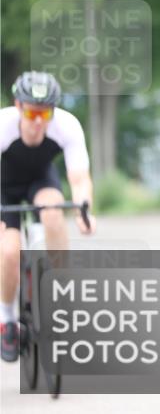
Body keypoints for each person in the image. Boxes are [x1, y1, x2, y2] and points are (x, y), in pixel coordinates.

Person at [1, 71, 95, 362]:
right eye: (32, 112)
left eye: (46, 112)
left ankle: (60, 292)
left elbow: (79, 179)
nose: (39, 120)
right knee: (9, 252)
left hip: (40, 181)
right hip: (3, 188)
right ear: (18, 106)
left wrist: (83, 210)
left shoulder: (66, 125)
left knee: (54, 212)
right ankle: (6, 319)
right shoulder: (2, 126)